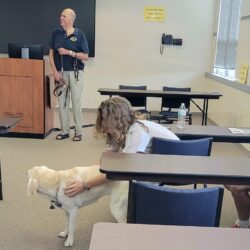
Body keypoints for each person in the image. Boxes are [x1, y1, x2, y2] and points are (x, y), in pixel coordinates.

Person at [64, 96, 179, 197]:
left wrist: (85, 184)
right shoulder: (123, 128)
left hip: (175, 166)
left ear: (117, 120)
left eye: (105, 120)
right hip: (158, 161)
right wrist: (84, 173)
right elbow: (107, 158)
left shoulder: (137, 132)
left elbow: (121, 171)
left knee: (122, 181)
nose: (103, 125)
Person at [49, 8, 89, 141]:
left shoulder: (80, 35)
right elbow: (51, 54)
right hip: (60, 74)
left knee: (76, 103)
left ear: (71, 19)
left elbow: (85, 56)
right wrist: (54, 71)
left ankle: (78, 132)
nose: (61, 18)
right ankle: (65, 131)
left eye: (64, 16)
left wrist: (69, 52)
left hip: (76, 73)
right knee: (62, 103)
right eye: (61, 16)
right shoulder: (56, 33)